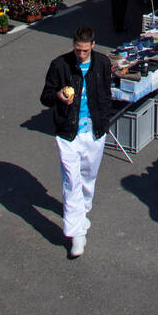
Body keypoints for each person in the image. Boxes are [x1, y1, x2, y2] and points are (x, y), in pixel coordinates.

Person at [40, 26, 113, 259]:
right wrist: (59, 95)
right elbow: (45, 96)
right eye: (77, 50)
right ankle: (76, 234)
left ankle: (84, 210)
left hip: (94, 130)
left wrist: (104, 118)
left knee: (89, 176)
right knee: (71, 180)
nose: (80, 54)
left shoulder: (101, 63)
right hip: (67, 131)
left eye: (84, 50)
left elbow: (106, 93)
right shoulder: (59, 65)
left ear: (92, 45)